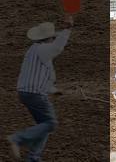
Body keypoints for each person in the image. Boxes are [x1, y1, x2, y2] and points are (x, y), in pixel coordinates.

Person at [7, 14, 74, 161]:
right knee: (51, 123)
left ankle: (33, 157)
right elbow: (58, 47)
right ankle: (18, 138)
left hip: (25, 92)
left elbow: (43, 77)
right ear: (49, 39)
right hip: (34, 94)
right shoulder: (43, 50)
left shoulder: (34, 50)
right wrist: (68, 28)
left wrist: (54, 90)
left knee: (44, 125)